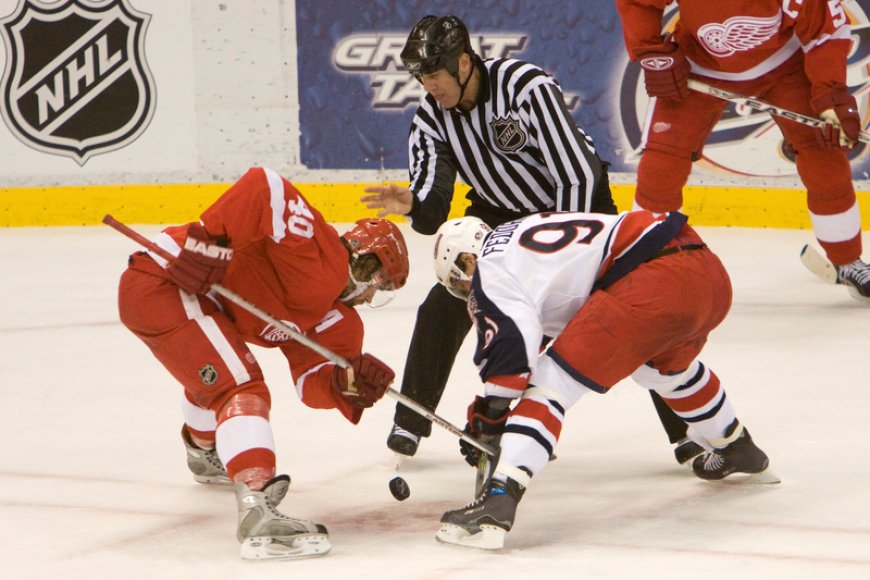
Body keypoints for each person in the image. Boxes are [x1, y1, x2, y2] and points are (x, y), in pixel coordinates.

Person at [361, 14, 701, 465]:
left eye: (434, 74)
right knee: (443, 305)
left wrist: (559, 258)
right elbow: (434, 207)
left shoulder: (524, 85)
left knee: (626, 313)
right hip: (498, 216)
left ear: (463, 63)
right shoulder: (430, 118)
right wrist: (412, 205)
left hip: (577, 207)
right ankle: (412, 417)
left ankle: (692, 432)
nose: (429, 86)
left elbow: (576, 173)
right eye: (421, 77)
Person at [429, 212, 777, 550]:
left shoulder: (490, 269)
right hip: (706, 271)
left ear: (466, 260)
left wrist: (492, 412)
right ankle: (737, 445)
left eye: (458, 282)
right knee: (662, 372)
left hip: (653, 279)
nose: (465, 293)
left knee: (550, 386)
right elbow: (531, 336)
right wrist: (497, 410)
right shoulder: (520, 237)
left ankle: (497, 504)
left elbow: (512, 361)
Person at [116, 166, 410, 560]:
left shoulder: (337, 320)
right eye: (381, 285)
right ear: (369, 265)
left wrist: (346, 384)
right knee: (240, 387)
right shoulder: (323, 256)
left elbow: (310, 384)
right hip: (166, 282)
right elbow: (265, 186)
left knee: (222, 371)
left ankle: (204, 451)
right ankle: (256, 506)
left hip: (200, 303)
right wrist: (212, 240)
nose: (370, 299)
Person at [616, 0, 870, 302]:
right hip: (699, 65)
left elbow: (823, 30)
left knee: (823, 157)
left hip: (784, 66)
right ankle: (643, 262)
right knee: (661, 165)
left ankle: (848, 260)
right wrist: (651, 52)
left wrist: (830, 96)